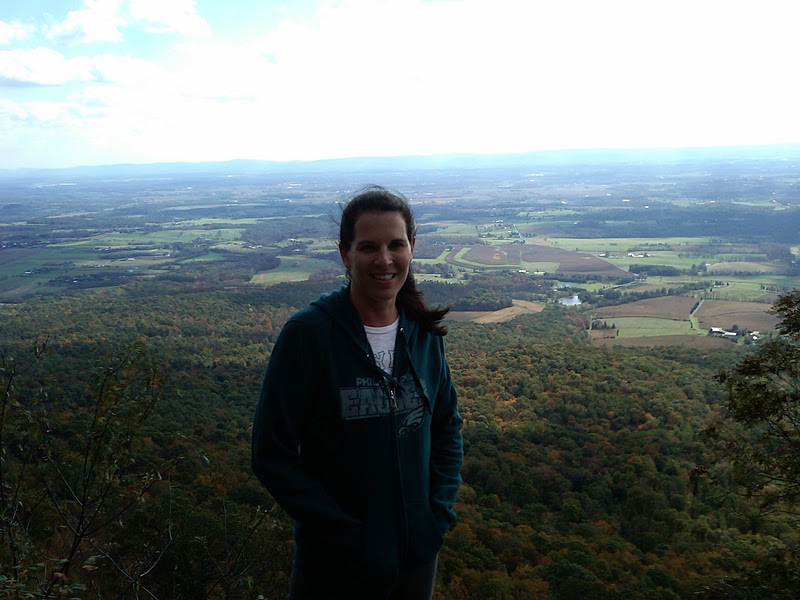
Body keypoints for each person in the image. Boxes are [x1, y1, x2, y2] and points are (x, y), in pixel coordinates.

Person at [251, 185, 463, 600]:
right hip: (332, 568)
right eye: (368, 247)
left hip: (414, 564)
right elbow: (270, 455)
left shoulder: (423, 333)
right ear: (345, 254)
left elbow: (446, 427)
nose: (384, 260)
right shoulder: (309, 335)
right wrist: (348, 536)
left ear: (412, 247)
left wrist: (434, 517)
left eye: (395, 245)